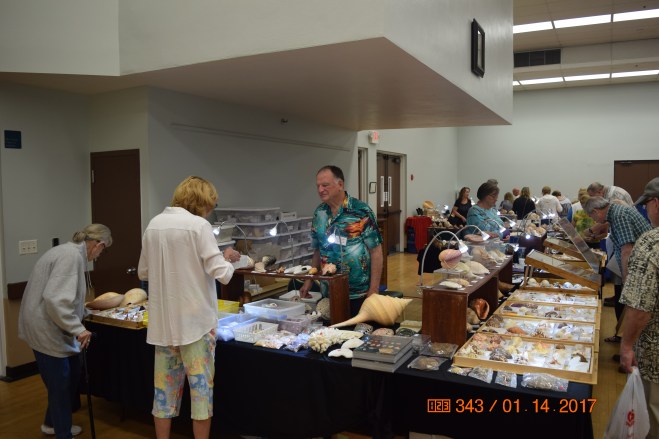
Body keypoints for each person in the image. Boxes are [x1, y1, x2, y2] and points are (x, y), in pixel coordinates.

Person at [138, 176, 241, 439]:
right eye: (210, 204)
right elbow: (222, 274)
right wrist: (228, 259)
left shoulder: (154, 224)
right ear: (202, 201)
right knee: (201, 395)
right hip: (196, 325)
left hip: (164, 325)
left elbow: (144, 272)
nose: (210, 210)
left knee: (163, 393)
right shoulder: (199, 226)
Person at [18, 224, 112, 438]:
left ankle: (51, 424)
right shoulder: (71, 257)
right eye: (103, 250)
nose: (99, 255)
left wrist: (85, 311)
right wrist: (78, 329)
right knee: (60, 386)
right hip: (45, 328)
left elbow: (62, 296)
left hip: (47, 325)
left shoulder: (68, 253)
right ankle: (62, 433)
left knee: (69, 378)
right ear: (98, 245)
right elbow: (56, 300)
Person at [299, 165, 383, 317]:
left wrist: (374, 289)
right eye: (318, 186)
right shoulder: (319, 213)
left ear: (340, 184)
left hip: (358, 293)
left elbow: (376, 251)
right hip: (328, 291)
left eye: (325, 185)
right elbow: (317, 249)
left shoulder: (361, 211)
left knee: (356, 331)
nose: (320, 190)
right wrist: (309, 280)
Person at [619, 177, 659, 438]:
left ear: (656, 204)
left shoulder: (651, 243)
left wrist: (626, 346)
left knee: (652, 416)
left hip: (654, 355)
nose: (645, 210)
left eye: (647, 205)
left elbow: (641, 308)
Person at [584, 196, 652, 344]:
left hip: (642, 268)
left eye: (592, 216)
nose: (594, 220)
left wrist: (626, 279)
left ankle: (630, 344)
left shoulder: (618, 215)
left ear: (596, 211)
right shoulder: (614, 212)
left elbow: (627, 249)